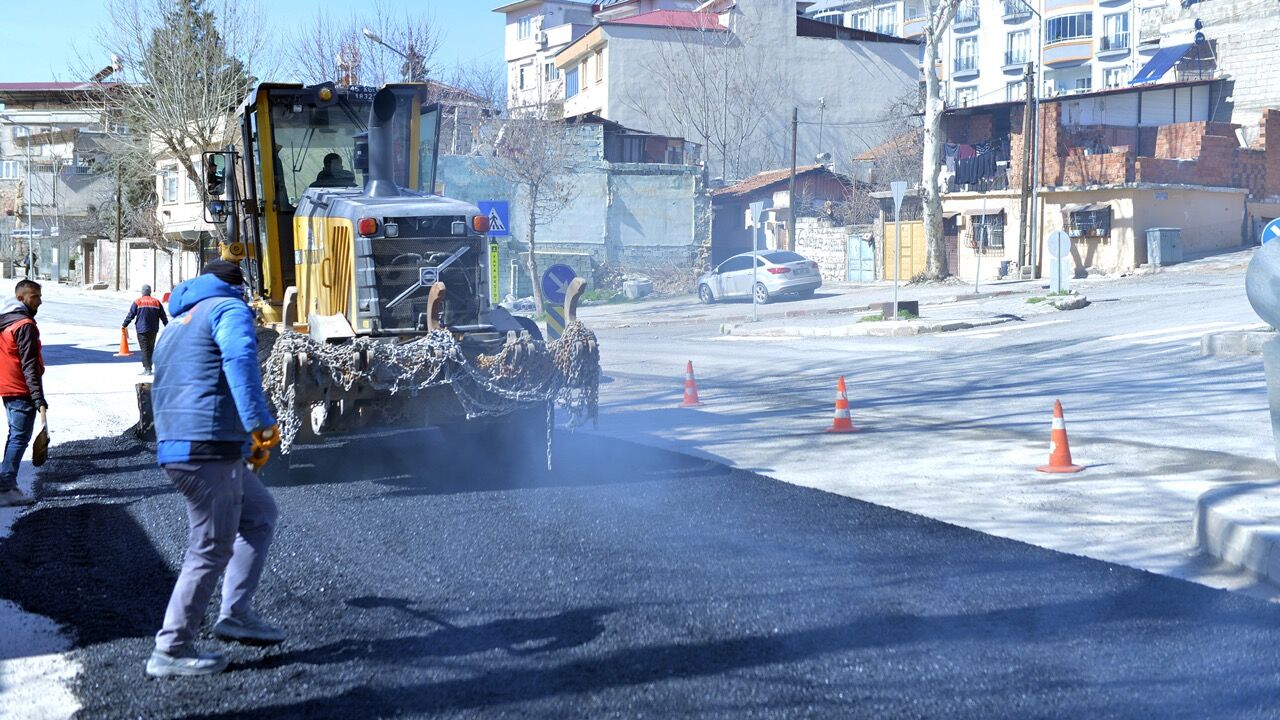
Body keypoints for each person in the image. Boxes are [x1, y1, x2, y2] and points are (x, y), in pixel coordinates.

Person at [145, 260, 284, 678]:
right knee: (210, 546)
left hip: (182, 443)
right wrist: (258, 423)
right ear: (238, 286)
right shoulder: (228, 308)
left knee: (259, 514)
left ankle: (236, 613)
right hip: (206, 447)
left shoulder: (178, 321)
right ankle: (171, 648)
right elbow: (240, 359)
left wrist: (239, 443)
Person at [0, 280, 44, 508]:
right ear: (21, 298)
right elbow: (29, 365)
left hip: (7, 387)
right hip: (20, 388)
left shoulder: (6, 321)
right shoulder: (24, 325)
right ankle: (5, 489)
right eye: (35, 297)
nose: (39, 301)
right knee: (19, 437)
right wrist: (38, 397)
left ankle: (6, 483)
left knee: (14, 435)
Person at [122, 284, 168, 375]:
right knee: (150, 348)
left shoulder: (138, 302)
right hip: (153, 329)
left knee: (144, 349)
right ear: (150, 292)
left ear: (142, 292)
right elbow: (163, 316)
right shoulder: (156, 302)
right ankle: (149, 367)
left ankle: (147, 369)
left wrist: (124, 324)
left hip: (142, 329)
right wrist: (167, 326)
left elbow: (131, 314)